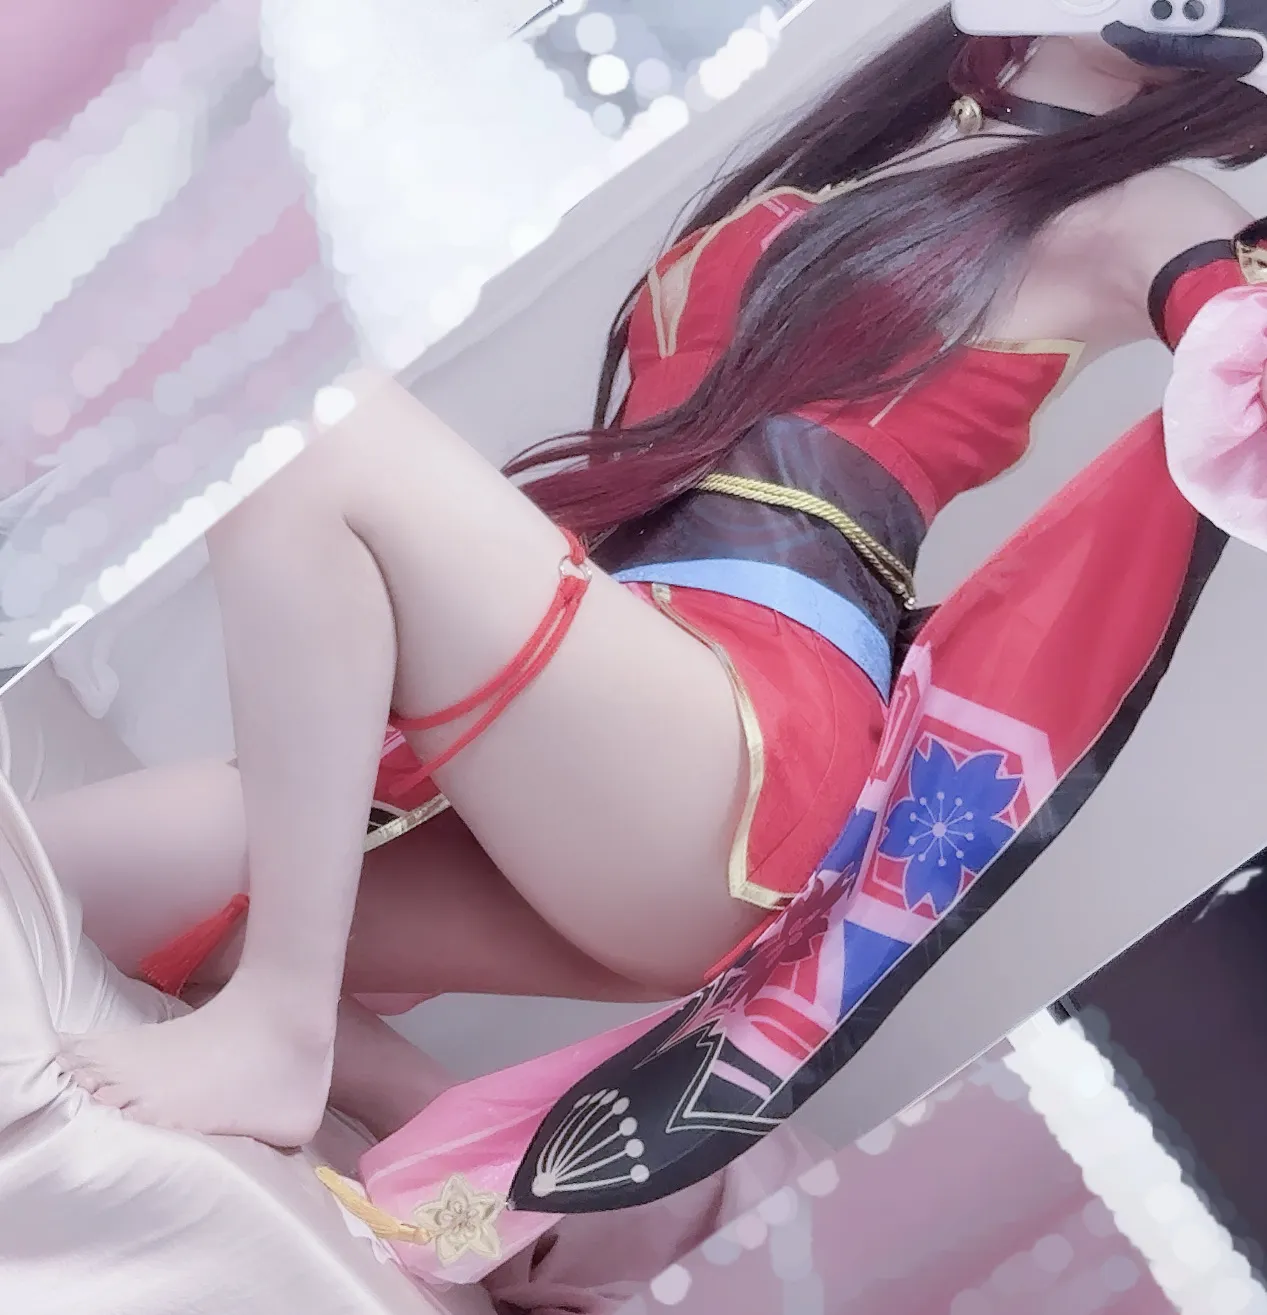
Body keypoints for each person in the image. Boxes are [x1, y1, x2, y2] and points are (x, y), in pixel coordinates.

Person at [32, 1, 1267, 1201]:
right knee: (63, 877)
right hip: (610, 706)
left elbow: (1238, 340)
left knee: (314, 429)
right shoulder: (910, 140)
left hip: (737, 748)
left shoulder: (1146, 207)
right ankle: (429, 1115)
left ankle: (280, 1024)